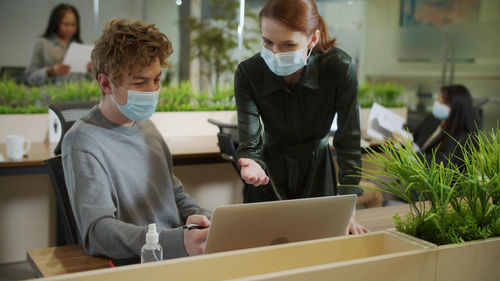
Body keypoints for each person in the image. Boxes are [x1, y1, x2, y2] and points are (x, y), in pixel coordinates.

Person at [62, 19, 211, 260]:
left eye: (157, 79)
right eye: (140, 82)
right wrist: (173, 241)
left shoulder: (146, 127)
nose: (152, 91)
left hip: (177, 254)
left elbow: (175, 195)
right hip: (139, 261)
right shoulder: (82, 142)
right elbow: (98, 232)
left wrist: (207, 220)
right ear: (106, 83)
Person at [234, 0, 368, 234]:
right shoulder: (249, 72)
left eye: (288, 44)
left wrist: (348, 206)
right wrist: (250, 160)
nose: (275, 53)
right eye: (268, 42)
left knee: (320, 247)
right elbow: (250, 140)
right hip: (269, 172)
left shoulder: (338, 67)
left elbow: (349, 140)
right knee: (263, 246)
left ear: (312, 40)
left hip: (319, 171)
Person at [396, 84, 477, 167]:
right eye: (439, 98)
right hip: (412, 165)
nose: (437, 102)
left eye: (442, 102)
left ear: (457, 108)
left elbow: (439, 166)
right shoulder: (435, 119)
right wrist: (397, 127)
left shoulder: (462, 138)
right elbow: (416, 132)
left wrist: (411, 147)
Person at [25, 3, 91, 85]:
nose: (70, 28)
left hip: (77, 95)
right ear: (55, 23)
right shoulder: (41, 43)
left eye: (73, 25)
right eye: (65, 24)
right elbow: (29, 77)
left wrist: (90, 69)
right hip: (51, 95)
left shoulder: (79, 46)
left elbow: (87, 79)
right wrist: (51, 71)